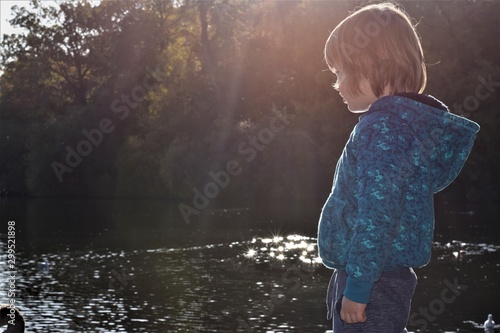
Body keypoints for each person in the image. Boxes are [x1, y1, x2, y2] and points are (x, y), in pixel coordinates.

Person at [317, 2, 480, 332]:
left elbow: (378, 215)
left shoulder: (383, 130)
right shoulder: (398, 128)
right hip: (376, 275)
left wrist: (359, 289)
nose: (336, 84)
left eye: (340, 72)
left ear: (372, 66)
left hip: (371, 281)